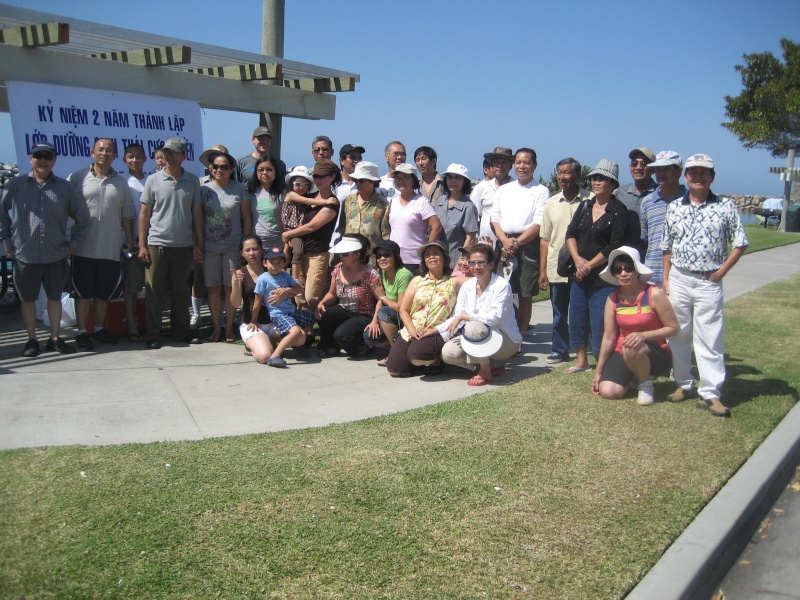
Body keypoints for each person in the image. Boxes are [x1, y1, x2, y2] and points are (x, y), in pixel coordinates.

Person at [661, 154, 748, 417]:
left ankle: (710, 393)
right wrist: (666, 277)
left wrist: (722, 270)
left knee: (709, 337)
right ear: (685, 176)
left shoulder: (726, 206)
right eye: (693, 172)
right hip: (679, 277)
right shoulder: (675, 206)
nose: (698, 177)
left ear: (712, 177)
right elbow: (667, 245)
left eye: (704, 172)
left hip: (708, 281)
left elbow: (740, 242)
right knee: (678, 333)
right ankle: (684, 383)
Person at [1, 142, 89, 356]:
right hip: (25, 255)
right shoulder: (15, 185)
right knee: (28, 299)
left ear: (54, 160)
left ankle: (55, 338)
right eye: (38, 156)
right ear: (31, 158)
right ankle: (32, 340)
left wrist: (72, 245)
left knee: (54, 298)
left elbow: (83, 218)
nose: (43, 160)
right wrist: (6, 240)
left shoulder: (65, 188)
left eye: (47, 156)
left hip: (56, 254)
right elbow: (1, 213)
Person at [67, 138, 136, 350]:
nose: (104, 153)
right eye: (100, 149)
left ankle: (98, 329)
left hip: (110, 248)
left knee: (103, 294)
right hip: (83, 248)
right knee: (82, 294)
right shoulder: (78, 177)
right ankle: (81, 331)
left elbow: (127, 216)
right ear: (92, 152)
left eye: (109, 150)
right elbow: (66, 209)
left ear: (115, 156)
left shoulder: (121, 183)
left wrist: (131, 242)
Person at [138, 137, 204, 349]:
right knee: (154, 291)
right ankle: (153, 333)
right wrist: (141, 244)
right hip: (156, 243)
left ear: (183, 156)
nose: (169, 156)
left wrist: (198, 243)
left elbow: (197, 214)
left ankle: (181, 331)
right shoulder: (153, 180)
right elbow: (144, 213)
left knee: (181, 290)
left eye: (174, 152)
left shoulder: (192, 180)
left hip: (184, 245)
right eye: (166, 152)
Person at [564, 159, 629, 372]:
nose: (596, 182)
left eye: (601, 178)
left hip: (603, 276)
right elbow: (570, 234)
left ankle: (603, 361)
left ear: (612, 183)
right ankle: (581, 361)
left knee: (601, 320)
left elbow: (614, 244)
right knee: (577, 317)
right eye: (593, 178)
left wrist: (589, 265)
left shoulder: (619, 210)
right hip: (580, 275)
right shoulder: (585, 206)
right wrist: (577, 261)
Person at [592, 247, 678, 405]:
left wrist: (644, 336)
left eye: (628, 268)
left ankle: (645, 386)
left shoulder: (654, 294)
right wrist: (598, 372)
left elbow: (673, 328)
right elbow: (609, 337)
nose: (623, 273)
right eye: (617, 270)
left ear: (637, 270)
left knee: (632, 347)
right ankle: (633, 376)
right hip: (625, 350)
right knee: (608, 391)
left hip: (655, 352)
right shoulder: (612, 298)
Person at [440, 243, 522, 386]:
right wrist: (435, 331)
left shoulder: (501, 285)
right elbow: (458, 315)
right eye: (472, 262)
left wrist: (465, 317)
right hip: (479, 335)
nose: (476, 267)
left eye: (480, 262)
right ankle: (489, 366)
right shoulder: (467, 286)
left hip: (506, 341)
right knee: (448, 354)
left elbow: (494, 318)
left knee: (472, 327)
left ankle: (485, 372)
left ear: (491, 265)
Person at [489, 148, 551, 336]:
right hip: (503, 243)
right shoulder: (504, 190)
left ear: (534, 165)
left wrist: (515, 243)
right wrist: (505, 241)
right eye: (518, 162)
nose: (522, 166)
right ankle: (502, 333)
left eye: (526, 162)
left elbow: (538, 223)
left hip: (527, 246)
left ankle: (518, 338)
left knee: (525, 294)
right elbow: (494, 218)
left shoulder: (541, 190)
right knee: (501, 291)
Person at [385, 240, 468, 377]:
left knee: (418, 356)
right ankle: (418, 359)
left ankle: (436, 360)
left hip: (435, 331)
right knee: (394, 370)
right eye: (427, 255)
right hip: (413, 330)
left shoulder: (454, 281)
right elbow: (403, 310)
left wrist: (473, 262)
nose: (431, 257)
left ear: (444, 258)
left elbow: (480, 280)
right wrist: (411, 330)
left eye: (436, 253)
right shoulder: (416, 281)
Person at [539, 158, 593, 365]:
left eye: (567, 173)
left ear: (577, 175)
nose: (562, 177)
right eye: (559, 172)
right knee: (559, 311)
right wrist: (542, 270)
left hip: (585, 264)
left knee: (584, 308)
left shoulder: (591, 199)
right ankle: (559, 349)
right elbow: (545, 238)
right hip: (557, 266)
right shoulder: (551, 203)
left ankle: (586, 347)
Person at [201, 149, 251, 343]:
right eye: (215, 166)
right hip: (209, 247)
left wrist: (244, 246)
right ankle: (216, 327)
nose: (219, 170)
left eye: (224, 167)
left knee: (230, 288)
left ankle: (230, 327)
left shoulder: (240, 189)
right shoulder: (203, 189)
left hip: (232, 246)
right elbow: (198, 218)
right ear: (210, 168)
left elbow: (246, 219)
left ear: (231, 169)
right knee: (213, 288)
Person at [281, 161, 339, 311]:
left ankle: (324, 321)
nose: (318, 180)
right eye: (315, 176)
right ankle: (308, 331)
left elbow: (312, 226)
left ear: (332, 177)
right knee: (299, 296)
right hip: (300, 252)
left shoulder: (332, 202)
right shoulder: (308, 196)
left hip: (317, 253)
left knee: (311, 296)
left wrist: (288, 234)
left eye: (322, 176)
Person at [316, 235, 384, 357]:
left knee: (342, 336)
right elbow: (332, 294)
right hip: (344, 309)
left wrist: (375, 321)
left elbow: (380, 299)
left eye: (345, 254)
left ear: (357, 255)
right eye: (340, 253)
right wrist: (322, 303)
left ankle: (363, 346)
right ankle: (330, 346)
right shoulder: (338, 270)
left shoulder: (371, 274)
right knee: (323, 313)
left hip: (364, 314)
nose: (341, 256)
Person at [250, 246, 313, 367]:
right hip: (278, 314)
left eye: (279, 262)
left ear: (284, 263)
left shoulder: (285, 276)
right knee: (294, 331)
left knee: (311, 317)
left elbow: (299, 289)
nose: (275, 266)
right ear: (264, 263)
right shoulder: (263, 279)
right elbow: (257, 301)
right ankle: (275, 355)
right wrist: (253, 320)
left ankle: (298, 344)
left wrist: (286, 290)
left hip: (291, 311)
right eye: (271, 262)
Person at [230, 235, 280, 364]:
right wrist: (236, 284)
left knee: (299, 338)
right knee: (265, 356)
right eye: (247, 250)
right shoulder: (240, 273)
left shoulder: (273, 269)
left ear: (262, 250)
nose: (252, 253)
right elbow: (235, 303)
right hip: (252, 324)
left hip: (273, 321)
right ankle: (253, 345)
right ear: (242, 253)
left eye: (255, 249)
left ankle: (268, 341)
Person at [639, 151, 686, 286]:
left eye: (667, 169)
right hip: (652, 275)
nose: (661, 173)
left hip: (682, 275)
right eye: (658, 169)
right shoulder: (647, 202)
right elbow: (646, 237)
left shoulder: (690, 201)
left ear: (679, 172)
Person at [363, 239, 413, 363]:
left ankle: (395, 352)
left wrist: (383, 298)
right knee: (369, 336)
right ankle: (401, 345)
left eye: (387, 255)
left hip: (406, 317)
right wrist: (374, 322)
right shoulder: (383, 273)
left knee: (384, 312)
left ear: (395, 256)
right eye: (379, 256)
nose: (382, 258)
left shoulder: (403, 275)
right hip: (391, 317)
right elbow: (380, 300)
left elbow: (400, 308)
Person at [388, 163, 443, 275]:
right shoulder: (392, 202)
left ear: (413, 180)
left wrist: (426, 252)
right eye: (398, 178)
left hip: (415, 263)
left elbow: (436, 227)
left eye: (405, 178)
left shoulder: (421, 202)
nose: (401, 181)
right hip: (395, 260)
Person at [336, 161, 390, 256]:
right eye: (355, 180)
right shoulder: (348, 201)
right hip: (349, 256)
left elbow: (385, 235)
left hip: (371, 258)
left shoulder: (383, 205)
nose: (358, 183)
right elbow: (342, 229)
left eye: (361, 180)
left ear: (372, 181)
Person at [433, 163, 479, 265]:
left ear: (464, 182)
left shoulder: (468, 207)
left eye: (457, 178)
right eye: (450, 177)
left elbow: (470, 238)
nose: (452, 181)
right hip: (437, 262)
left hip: (455, 263)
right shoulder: (440, 201)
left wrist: (461, 263)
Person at [470, 147, 514, 245]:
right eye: (496, 162)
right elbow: (474, 217)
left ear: (510, 166)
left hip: (509, 243)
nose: (500, 166)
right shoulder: (481, 188)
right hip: (485, 243)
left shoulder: (517, 188)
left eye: (504, 163)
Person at [616, 147, 657, 251]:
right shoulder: (620, 193)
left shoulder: (660, 193)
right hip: (625, 253)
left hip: (652, 255)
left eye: (644, 163)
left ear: (654, 168)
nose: (638, 167)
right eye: (634, 163)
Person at [246, 154, 285, 251]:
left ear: (275, 171)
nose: (265, 173)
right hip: (255, 244)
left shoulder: (283, 192)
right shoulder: (249, 192)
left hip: (277, 243)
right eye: (261, 170)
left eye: (269, 169)